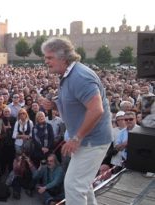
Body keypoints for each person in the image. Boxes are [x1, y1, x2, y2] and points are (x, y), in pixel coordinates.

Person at [42, 37, 112, 205]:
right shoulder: (68, 75)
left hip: (91, 140)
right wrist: (54, 105)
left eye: (49, 57)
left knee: (73, 186)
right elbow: (76, 107)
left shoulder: (80, 76)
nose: (46, 61)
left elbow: (96, 110)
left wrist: (77, 137)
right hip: (85, 140)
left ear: (63, 58)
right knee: (83, 185)